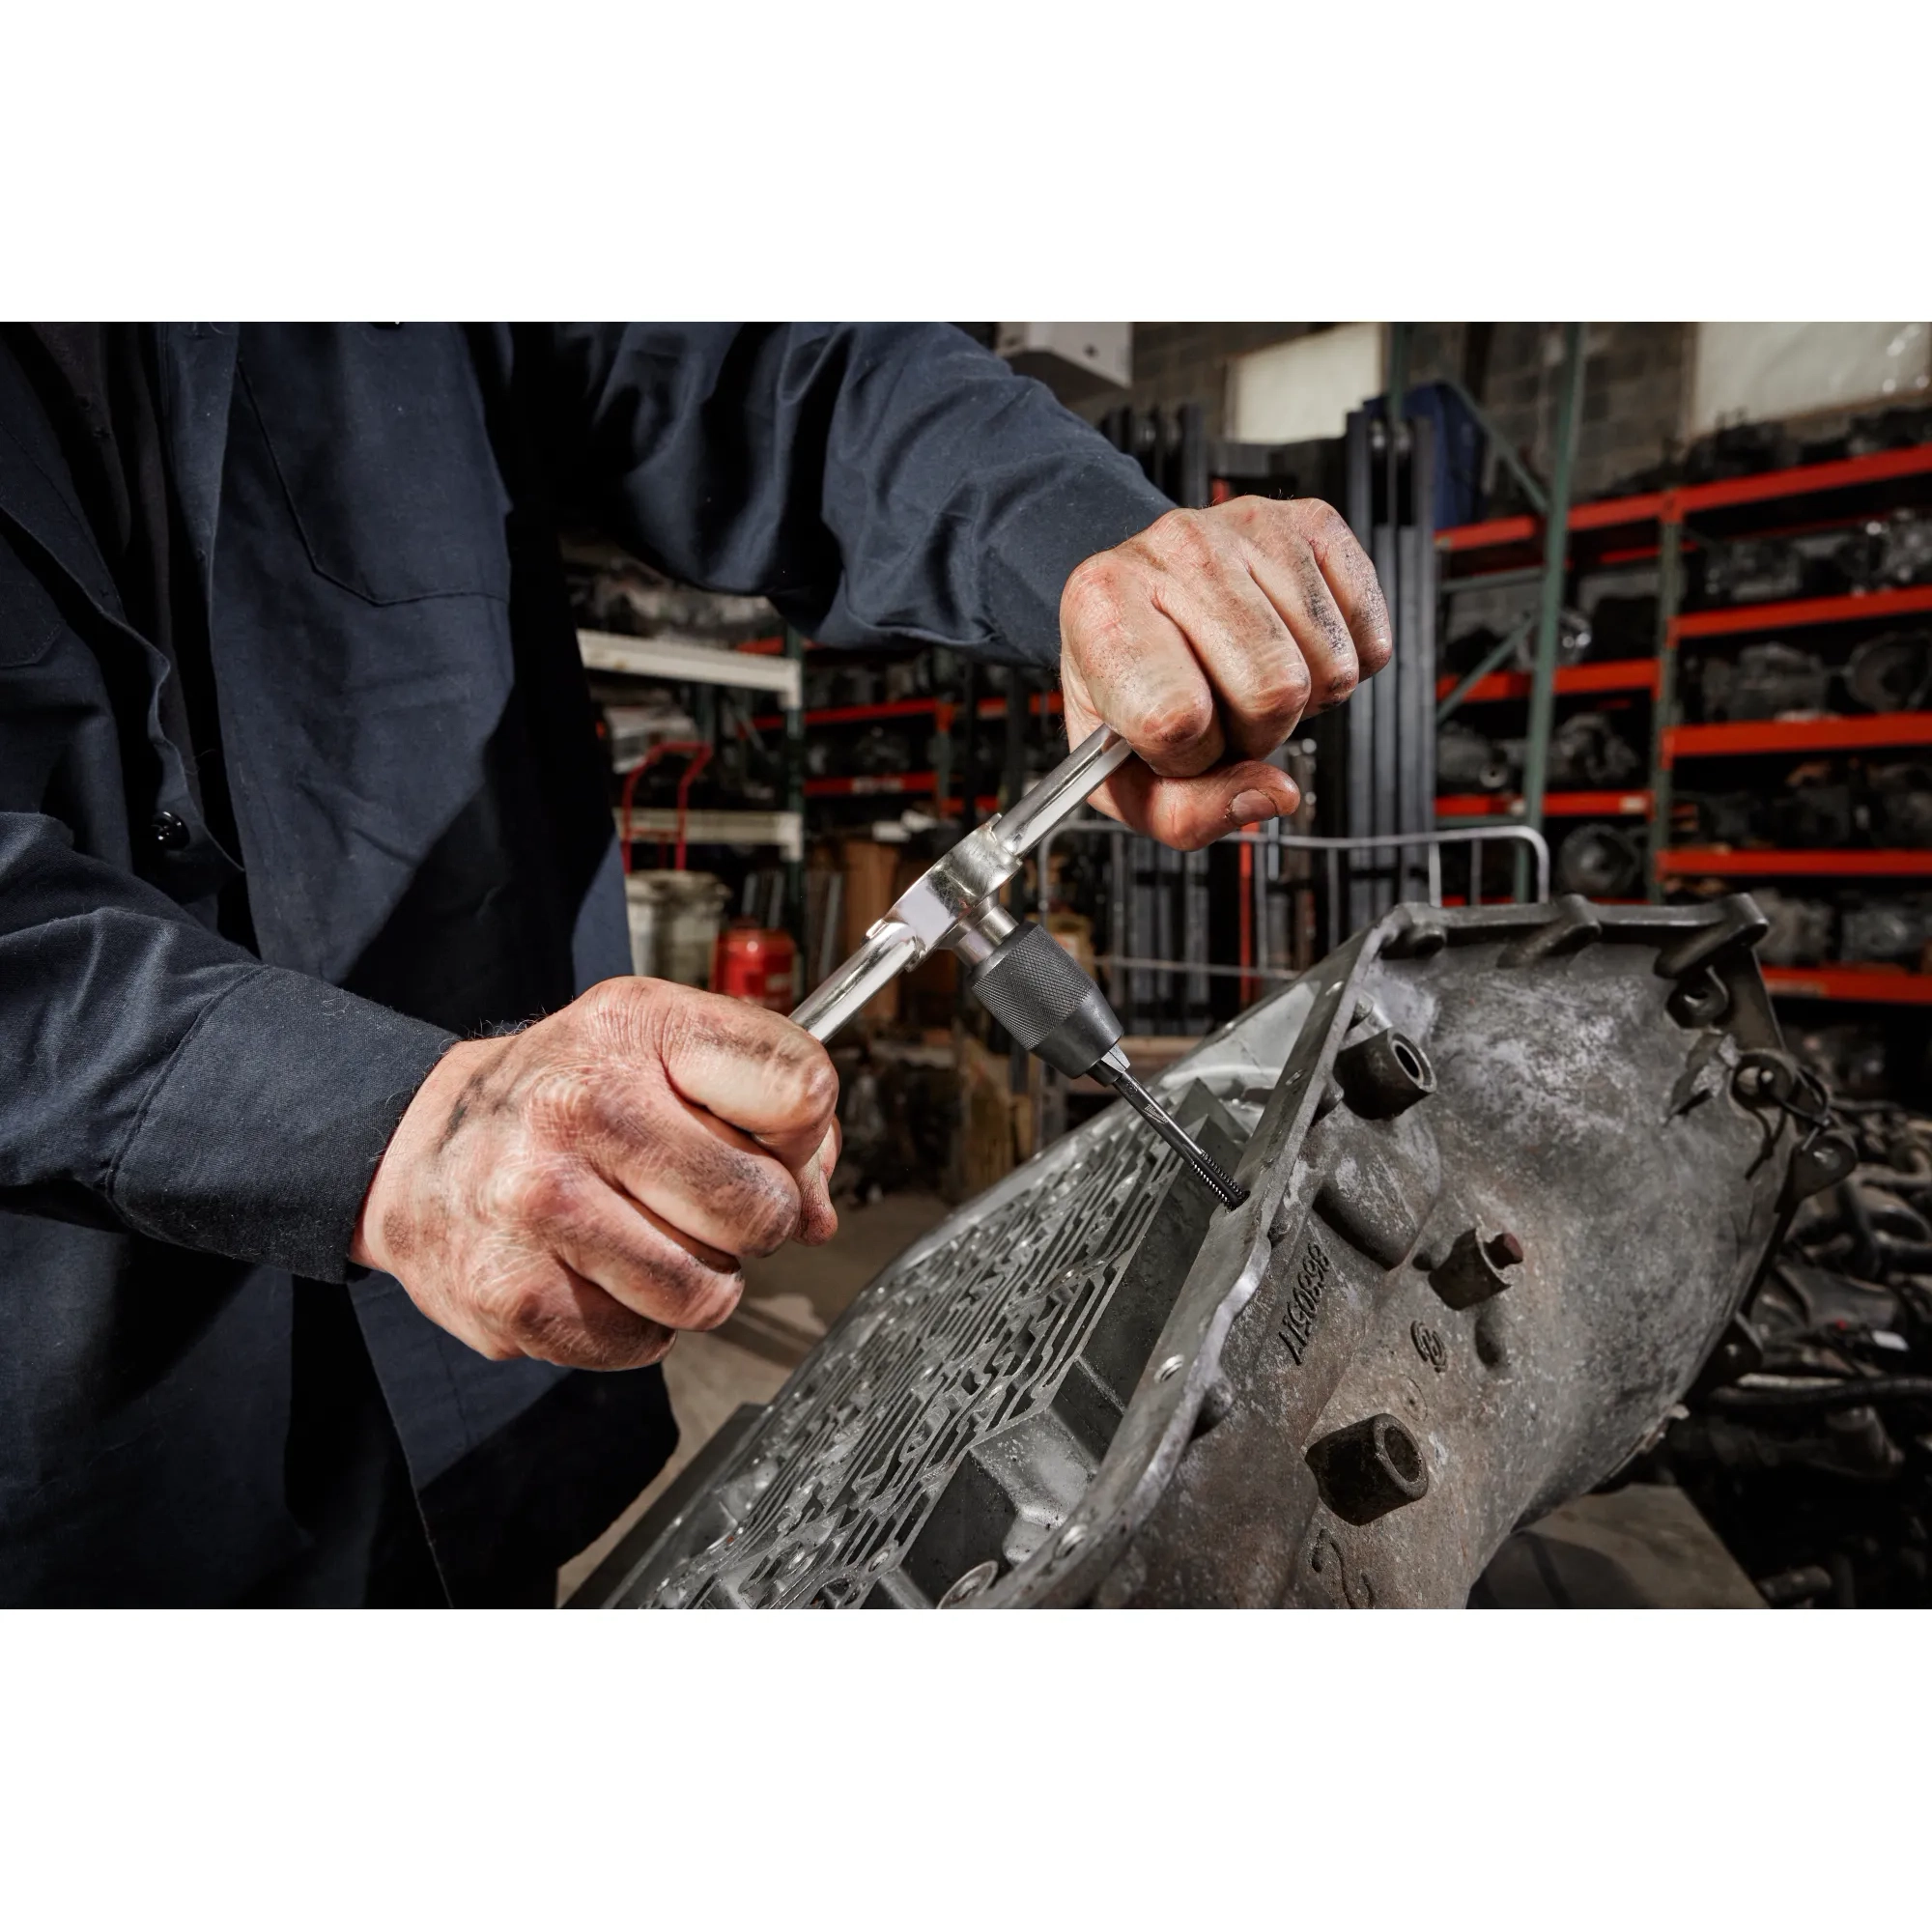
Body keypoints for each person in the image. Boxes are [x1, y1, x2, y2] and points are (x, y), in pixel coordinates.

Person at [0, 324, 1390, 1605]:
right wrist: (379, 1128)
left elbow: (776, 368)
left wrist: (1094, 552)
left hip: (475, 1415)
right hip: (85, 1448)